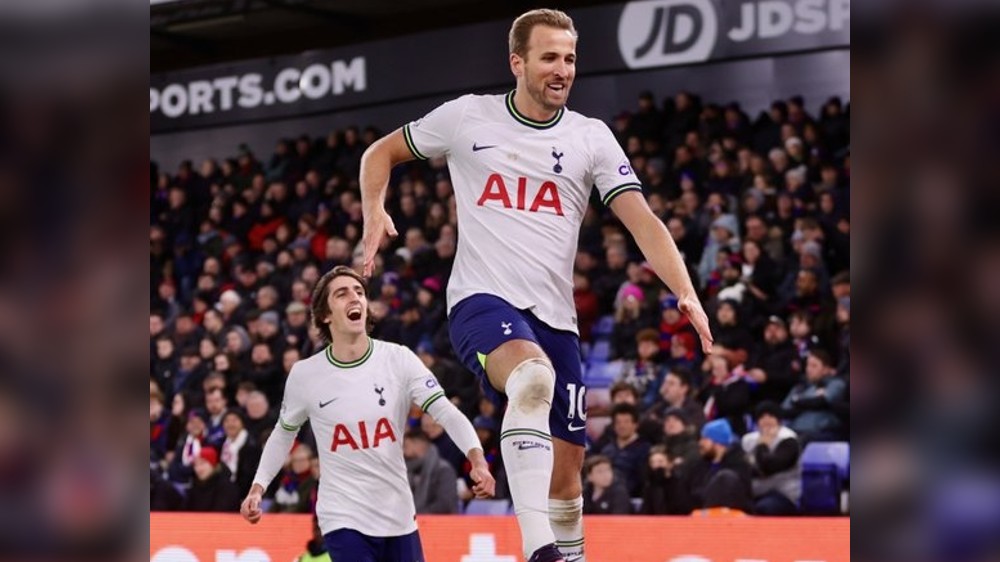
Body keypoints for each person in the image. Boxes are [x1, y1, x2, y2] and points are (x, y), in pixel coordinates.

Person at [359, 9, 713, 562]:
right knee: (529, 377)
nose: (562, 69)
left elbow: (642, 220)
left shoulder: (590, 138)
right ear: (517, 62)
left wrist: (685, 289)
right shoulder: (466, 118)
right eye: (549, 57)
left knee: (566, 481)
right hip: (481, 300)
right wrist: (373, 213)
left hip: (557, 318)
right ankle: (537, 548)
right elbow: (379, 152)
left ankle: (566, 552)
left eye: (570, 58)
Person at [240, 266, 495, 562]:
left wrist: (477, 460)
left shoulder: (398, 359)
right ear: (325, 315)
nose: (355, 298)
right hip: (342, 515)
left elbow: (446, 413)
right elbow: (283, 435)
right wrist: (258, 488)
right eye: (342, 293)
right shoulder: (305, 374)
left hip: (397, 513)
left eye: (359, 292)